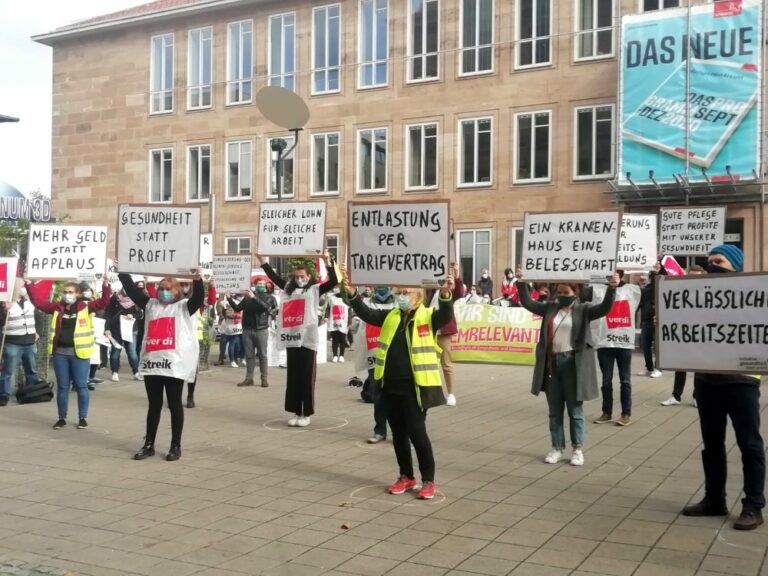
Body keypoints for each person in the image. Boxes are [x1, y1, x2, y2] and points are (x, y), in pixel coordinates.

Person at [344, 273, 455, 499]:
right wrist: (352, 294)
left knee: (417, 433)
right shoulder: (391, 315)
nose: (401, 297)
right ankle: (406, 476)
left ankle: (428, 480)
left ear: (418, 295)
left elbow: (445, 314)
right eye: (399, 293)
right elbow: (367, 313)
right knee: (399, 434)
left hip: (415, 386)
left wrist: (445, 294)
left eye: (406, 293)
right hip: (389, 385)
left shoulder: (428, 316)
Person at [682, 245, 765, 531]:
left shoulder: (755, 296)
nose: (711, 265)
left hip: (742, 381)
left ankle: (754, 505)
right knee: (712, 444)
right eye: (708, 261)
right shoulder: (698, 298)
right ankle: (714, 499)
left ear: (736, 266)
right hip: (707, 381)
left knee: (749, 444)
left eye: (718, 261)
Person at [516, 268, 617, 466]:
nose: (562, 296)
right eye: (559, 293)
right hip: (552, 365)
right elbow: (528, 303)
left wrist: (612, 288)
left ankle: (577, 449)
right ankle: (556, 448)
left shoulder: (584, 309)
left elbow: (605, 308)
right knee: (554, 410)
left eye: (566, 293)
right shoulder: (550, 308)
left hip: (573, 365)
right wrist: (521, 283)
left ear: (575, 293)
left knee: (575, 410)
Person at [119, 271, 204, 461]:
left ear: (176, 291)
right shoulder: (151, 305)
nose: (164, 292)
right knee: (154, 405)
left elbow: (198, 298)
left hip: (174, 365)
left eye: (168, 289)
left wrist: (197, 280)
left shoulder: (184, 307)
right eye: (161, 289)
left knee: (175, 405)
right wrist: (123, 271)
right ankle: (148, 444)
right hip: (153, 363)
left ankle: (176, 446)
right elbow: (132, 291)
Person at [259, 252, 338, 427]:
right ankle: (296, 411)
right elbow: (274, 277)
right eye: (296, 277)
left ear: (309, 276)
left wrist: (328, 262)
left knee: (307, 376)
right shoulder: (289, 289)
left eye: (302, 276)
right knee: (293, 377)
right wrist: (262, 261)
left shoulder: (315, 289)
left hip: (308, 340)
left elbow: (333, 281)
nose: (299, 279)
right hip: (292, 338)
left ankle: (306, 413)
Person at [26, 278, 111, 430]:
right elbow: (38, 302)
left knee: (81, 386)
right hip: (60, 354)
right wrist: (29, 285)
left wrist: (106, 286)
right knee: (63, 387)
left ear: (77, 294)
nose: (67, 295)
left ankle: (82, 417)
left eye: (70, 292)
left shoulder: (85, 306)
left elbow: (104, 302)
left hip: (79, 354)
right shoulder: (57, 308)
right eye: (65, 292)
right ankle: (61, 418)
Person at [591, 271, 642, 427]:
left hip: (624, 344)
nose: (612, 277)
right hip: (605, 343)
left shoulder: (632, 290)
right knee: (606, 381)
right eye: (609, 274)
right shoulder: (597, 289)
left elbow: (653, 291)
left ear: (620, 275)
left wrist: (657, 271)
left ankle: (626, 414)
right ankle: (607, 412)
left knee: (625, 380)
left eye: (615, 274)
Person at [352, 286, 395, 444]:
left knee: (396, 396)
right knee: (378, 395)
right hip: (374, 355)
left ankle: (399, 431)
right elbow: (351, 302)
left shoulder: (398, 303)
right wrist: (347, 288)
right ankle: (380, 430)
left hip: (394, 357)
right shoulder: (368, 302)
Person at [661, 265, 706, 407]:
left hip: (700, 335)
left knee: (699, 368)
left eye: (697, 276)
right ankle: (676, 396)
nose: (693, 279)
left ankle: (697, 396)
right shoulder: (680, 291)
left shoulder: (706, 291)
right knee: (680, 366)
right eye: (691, 275)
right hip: (683, 335)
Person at [229, 279, 277, 388]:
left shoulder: (270, 297)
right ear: (254, 285)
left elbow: (265, 308)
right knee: (249, 356)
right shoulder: (247, 298)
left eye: (262, 284)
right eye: (258, 284)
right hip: (247, 330)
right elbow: (237, 308)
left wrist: (254, 298)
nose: (260, 285)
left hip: (261, 330)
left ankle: (264, 379)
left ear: (265, 286)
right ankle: (249, 378)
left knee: (262, 355)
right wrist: (228, 298)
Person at [0, 282, 40, 406]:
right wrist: (4, 310)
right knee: (8, 371)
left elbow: (37, 317)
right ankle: (3, 395)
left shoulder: (29, 302)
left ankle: (32, 391)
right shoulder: (3, 304)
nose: (22, 289)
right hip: (13, 342)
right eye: (20, 286)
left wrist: (37, 331)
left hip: (30, 341)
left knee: (31, 370)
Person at [432, 262, 465, 406]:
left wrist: (456, 277)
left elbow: (459, 293)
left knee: (446, 362)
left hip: (444, 329)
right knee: (427, 361)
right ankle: (431, 391)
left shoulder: (449, 286)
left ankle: (451, 393)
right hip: (427, 327)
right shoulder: (429, 287)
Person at [105, 289, 143, 382]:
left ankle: (136, 372)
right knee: (115, 352)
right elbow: (109, 313)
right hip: (116, 330)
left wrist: (133, 315)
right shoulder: (115, 298)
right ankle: (115, 372)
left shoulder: (135, 298)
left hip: (131, 330)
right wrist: (107, 328)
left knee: (132, 352)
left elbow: (140, 314)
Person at [638, 261, 666, 378]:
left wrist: (658, 272)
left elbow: (659, 279)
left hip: (658, 321)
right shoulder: (647, 287)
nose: (655, 265)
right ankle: (649, 367)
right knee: (645, 345)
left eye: (658, 263)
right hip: (646, 320)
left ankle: (659, 368)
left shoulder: (662, 282)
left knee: (658, 346)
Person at [328, 288, 350, 362]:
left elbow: (349, 311)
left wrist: (349, 322)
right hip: (333, 321)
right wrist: (325, 317)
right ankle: (334, 355)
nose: (337, 289)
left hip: (343, 322)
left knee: (342, 340)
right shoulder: (331, 298)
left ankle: (341, 355)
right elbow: (328, 308)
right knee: (335, 340)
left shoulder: (346, 299)